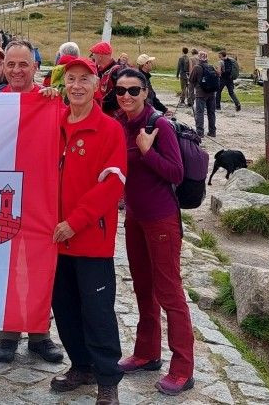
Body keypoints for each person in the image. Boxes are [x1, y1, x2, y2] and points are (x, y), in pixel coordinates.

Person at [112, 68, 195, 395]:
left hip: (161, 220)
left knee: (170, 293)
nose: (126, 96)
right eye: (121, 90)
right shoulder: (120, 122)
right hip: (135, 217)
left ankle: (183, 369)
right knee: (143, 288)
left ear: (146, 92)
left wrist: (147, 151)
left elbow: (175, 172)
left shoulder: (158, 125)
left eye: (134, 90)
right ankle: (147, 353)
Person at [51, 57, 127, 405]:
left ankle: (107, 379)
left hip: (90, 239)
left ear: (97, 86)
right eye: (71, 79)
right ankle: (81, 366)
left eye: (84, 79)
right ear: (63, 83)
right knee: (65, 308)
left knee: (97, 312)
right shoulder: (53, 123)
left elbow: (112, 186)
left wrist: (75, 222)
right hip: (55, 239)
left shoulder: (109, 129)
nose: (77, 85)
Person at [0, 41, 65, 363]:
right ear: (4, 68)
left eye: (23, 64)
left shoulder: (48, 100)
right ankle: (8, 332)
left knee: (39, 267)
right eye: (11, 64)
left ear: (35, 67)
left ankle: (39, 333)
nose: (17, 70)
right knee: (4, 266)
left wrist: (56, 99)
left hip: (40, 197)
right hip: (3, 196)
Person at [189, 51, 218, 138]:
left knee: (200, 112)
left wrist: (191, 95)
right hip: (212, 93)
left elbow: (191, 80)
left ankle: (200, 132)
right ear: (207, 58)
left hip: (201, 93)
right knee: (211, 112)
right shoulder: (211, 67)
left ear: (199, 58)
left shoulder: (197, 67)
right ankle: (212, 131)